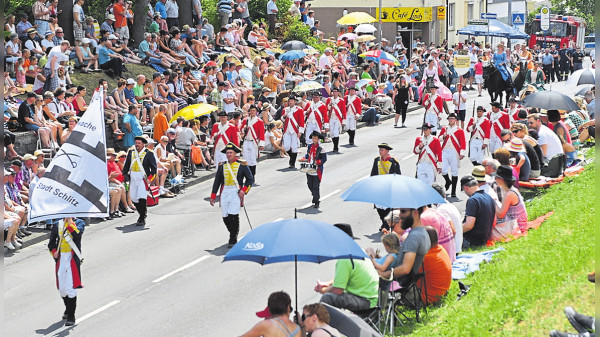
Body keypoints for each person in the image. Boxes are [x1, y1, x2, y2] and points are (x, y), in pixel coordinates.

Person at [316, 224, 379, 311]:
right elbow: (346, 277)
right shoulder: (359, 250)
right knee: (331, 295)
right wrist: (328, 284)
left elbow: (338, 290)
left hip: (365, 301)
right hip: (372, 297)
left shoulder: (345, 259)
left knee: (328, 297)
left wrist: (323, 290)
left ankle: (319, 323)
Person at [210, 143, 253, 247]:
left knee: (233, 215)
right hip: (225, 191)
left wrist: (244, 190)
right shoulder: (222, 166)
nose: (228, 154)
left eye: (231, 152)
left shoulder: (242, 165)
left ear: (235, 154)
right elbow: (217, 181)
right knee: (225, 216)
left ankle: (233, 238)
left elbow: (250, 179)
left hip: (236, 191)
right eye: (227, 153)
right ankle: (233, 232)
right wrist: (213, 196)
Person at [48, 217, 85, 326]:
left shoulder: (79, 222)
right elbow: (51, 243)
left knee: (71, 287)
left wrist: (70, 223)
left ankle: (71, 316)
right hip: (61, 259)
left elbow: (77, 236)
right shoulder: (56, 224)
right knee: (62, 289)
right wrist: (54, 252)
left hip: (72, 259)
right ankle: (68, 308)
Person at [122, 136, 157, 226]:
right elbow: (127, 165)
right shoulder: (131, 151)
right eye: (136, 143)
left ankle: (142, 217)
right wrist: (125, 176)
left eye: (139, 143)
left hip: (142, 178)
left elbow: (154, 169)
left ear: (143, 144)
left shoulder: (149, 153)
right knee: (134, 198)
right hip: (133, 177)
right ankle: (141, 213)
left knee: (142, 198)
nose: (137, 145)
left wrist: (149, 179)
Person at [417, 225, 452, 304]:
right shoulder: (440, 248)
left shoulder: (426, 258)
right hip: (441, 294)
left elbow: (405, 272)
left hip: (427, 298)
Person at [370, 143, 401, 231]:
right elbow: (373, 173)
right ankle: (384, 222)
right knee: (379, 207)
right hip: (379, 188)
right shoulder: (377, 160)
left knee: (387, 207)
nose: (380, 152)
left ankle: (386, 224)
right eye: (380, 150)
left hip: (389, 188)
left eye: (382, 150)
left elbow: (397, 176)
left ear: (387, 151)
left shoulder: (393, 162)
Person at [460, 175, 496, 248]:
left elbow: (469, 225)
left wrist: (455, 231)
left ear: (466, 188)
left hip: (473, 240)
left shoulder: (473, 200)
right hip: (486, 237)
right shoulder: (488, 197)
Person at [438, 113, 466, 198]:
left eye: (452, 119)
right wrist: (443, 136)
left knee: (454, 171)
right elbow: (439, 139)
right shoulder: (444, 129)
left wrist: (462, 153)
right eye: (449, 118)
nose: (450, 120)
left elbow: (462, 142)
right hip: (445, 151)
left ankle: (453, 191)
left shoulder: (459, 130)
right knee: (443, 169)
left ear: (456, 120)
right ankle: (448, 181)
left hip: (454, 152)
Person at [494, 165, 528, 234]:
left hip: (517, 226)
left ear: (501, 179)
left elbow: (501, 214)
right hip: (519, 223)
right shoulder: (512, 190)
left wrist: (493, 202)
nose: (495, 179)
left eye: (496, 177)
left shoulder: (509, 194)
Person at [299, 131, 327, 208]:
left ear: (318, 139)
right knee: (309, 184)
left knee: (316, 185)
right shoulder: (309, 146)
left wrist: (317, 162)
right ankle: (315, 195)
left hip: (317, 170)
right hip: (309, 168)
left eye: (315, 138)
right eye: (313, 138)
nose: (313, 140)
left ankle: (317, 200)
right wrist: (303, 159)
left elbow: (324, 159)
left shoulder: (321, 148)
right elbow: (307, 156)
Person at [241, 105, 265, 180]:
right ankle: (247, 176)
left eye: (253, 110)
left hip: (254, 141)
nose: (252, 112)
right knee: (246, 159)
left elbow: (261, 133)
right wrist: (243, 128)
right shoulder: (245, 120)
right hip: (246, 141)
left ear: (256, 111)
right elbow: (241, 131)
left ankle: (252, 176)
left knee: (252, 160)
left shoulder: (259, 121)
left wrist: (261, 144)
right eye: (251, 110)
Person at [282, 95, 305, 168]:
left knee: (294, 147)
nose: (290, 102)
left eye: (292, 101)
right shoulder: (285, 109)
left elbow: (301, 121)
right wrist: (284, 116)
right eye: (289, 101)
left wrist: (300, 131)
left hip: (295, 130)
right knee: (286, 146)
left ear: (295, 102)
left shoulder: (299, 109)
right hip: (287, 130)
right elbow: (282, 119)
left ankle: (292, 163)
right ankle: (292, 157)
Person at [326, 87, 346, 152]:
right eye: (333, 91)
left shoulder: (341, 100)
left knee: (335, 133)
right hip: (331, 118)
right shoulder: (329, 99)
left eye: (335, 91)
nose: (334, 93)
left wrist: (344, 120)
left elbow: (343, 111)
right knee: (331, 133)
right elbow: (327, 109)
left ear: (338, 92)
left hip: (338, 118)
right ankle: (335, 145)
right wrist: (329, 105)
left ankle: (336, 147)